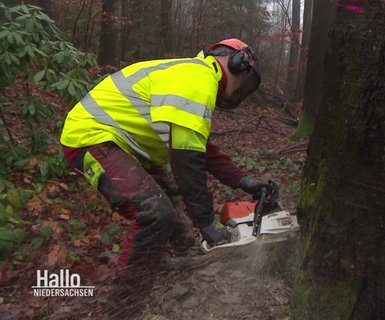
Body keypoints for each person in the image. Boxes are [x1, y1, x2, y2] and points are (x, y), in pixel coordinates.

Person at [59, 38, 276, 318]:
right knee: (155, 213)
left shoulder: (193, 77)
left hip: (125, 144)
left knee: (169, 200)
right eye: (246, 83)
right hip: (91, 137)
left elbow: (203, 151)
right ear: (237, 63)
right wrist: (207, 222)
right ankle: (124, 309)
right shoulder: (198, 78)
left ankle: (190, 259)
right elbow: (187, 162)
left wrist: (245, 181)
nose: (241, 92)